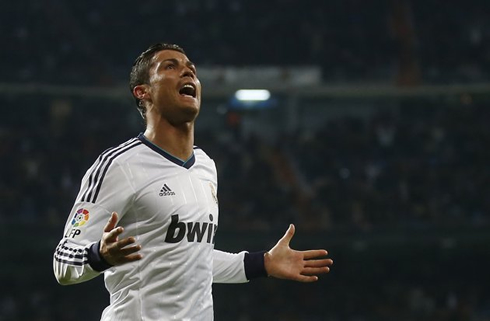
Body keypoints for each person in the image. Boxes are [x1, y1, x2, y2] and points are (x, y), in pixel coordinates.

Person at [53, 43, 333, 321]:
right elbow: (63, 262)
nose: (187, 73)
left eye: (191, 69)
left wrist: (263, 263)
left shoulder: (206, 166)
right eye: (170, 66)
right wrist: (99, 255)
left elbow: (192, 260)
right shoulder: (119, 165)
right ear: (143, 91)